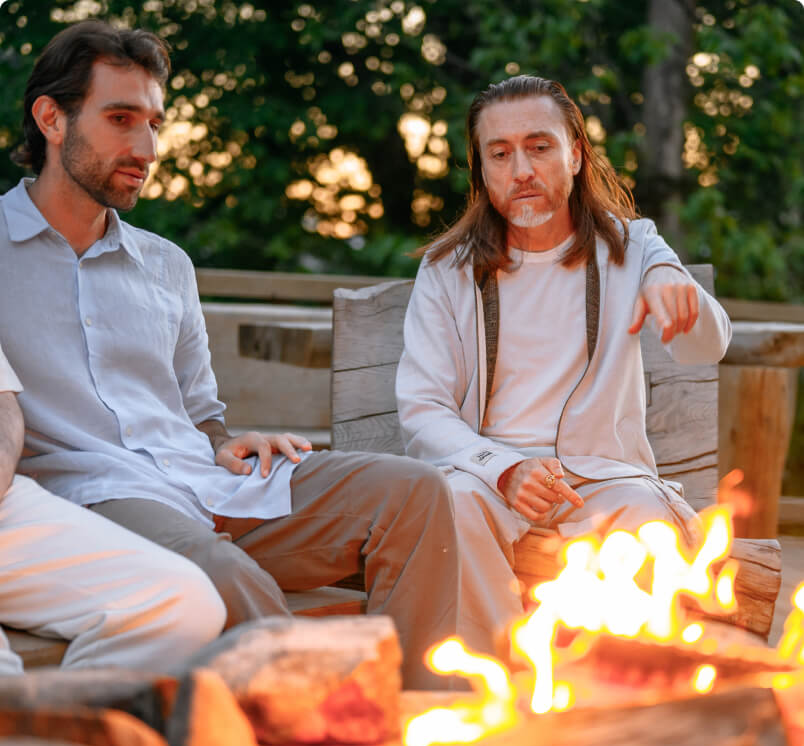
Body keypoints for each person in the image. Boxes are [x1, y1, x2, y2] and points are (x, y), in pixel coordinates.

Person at [0, 20, 493, 688]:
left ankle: (420, 711)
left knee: (415, 492)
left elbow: (200, 417)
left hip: (202, 482)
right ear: (51, 119)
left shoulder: (166, 265)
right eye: (120, 119)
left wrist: (227, 443)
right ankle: (323, 720)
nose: (146, 148)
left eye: (154, 123)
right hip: (93, 496)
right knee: (222, 572)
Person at [396, 75, 732, 630]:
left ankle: (616, 681)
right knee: (451, 506)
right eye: (500, 154)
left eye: (539, 147)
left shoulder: (634, 246)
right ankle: (482, 675)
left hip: (606, 479)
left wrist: (677, 287)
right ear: (481, 169)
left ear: (575, 155)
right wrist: (504, 468)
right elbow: (423, 408)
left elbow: (707, 349)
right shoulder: (447, 269)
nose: (521, 170)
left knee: (650, 523)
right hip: (486, 478)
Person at [0, 341, 226, 674]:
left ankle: (66, 709)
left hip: (8, 499)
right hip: (96, 483)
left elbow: (4, 406)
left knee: (186, 603)